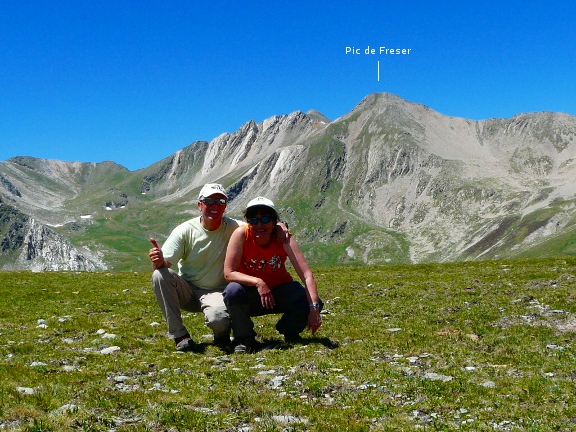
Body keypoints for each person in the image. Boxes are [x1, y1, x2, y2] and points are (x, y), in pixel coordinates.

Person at [223, 196, 323, 353]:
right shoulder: (241, 234)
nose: (259, 225)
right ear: (247, 221)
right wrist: (258, 282)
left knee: (310, 299)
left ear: (273, 221)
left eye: (265, 219)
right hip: (252, 294)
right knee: (233, 291)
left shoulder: (283, 237)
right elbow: (229, 273)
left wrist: (314, 309)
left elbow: (306, 275)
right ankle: (244, 338)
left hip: (279, 291)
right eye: (253, 220)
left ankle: (289, 330)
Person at [149, 183, 237, 352]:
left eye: (220, 202)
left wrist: (281, 228)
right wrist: (157, 260)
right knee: (159, 275)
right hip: (188, 291)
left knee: (218, 320)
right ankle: (180, 336)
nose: (215, 206)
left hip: (217, 292)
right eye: (209, 201)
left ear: (225, 206)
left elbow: (257, 228)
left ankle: (222, 334)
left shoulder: (234, 227)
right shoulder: (185, 230)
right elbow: (163, 265)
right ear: (199, 205)